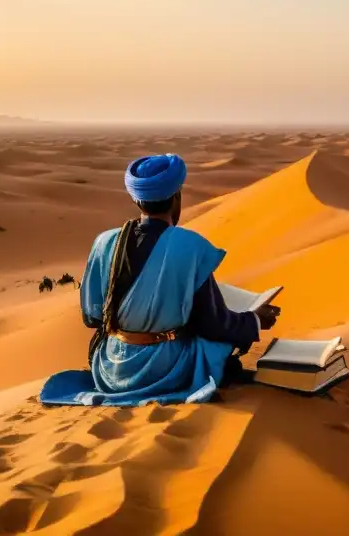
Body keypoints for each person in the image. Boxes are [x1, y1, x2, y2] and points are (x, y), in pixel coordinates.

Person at [51, 153, 278, 407]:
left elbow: (91, 317)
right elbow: (212, 324)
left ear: (137, 199)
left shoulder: (105, 242)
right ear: (176, 198)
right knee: (216, 348)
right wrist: (255, 320)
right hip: (164, 372)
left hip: (111, 371)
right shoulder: (190, 246)